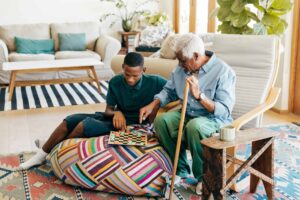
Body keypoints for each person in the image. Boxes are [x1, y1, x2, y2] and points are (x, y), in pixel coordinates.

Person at [19, 52, 167, 170]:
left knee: (84, 126)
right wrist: (116, 112)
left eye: (135, 76)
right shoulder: (115, 81)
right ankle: (40, 156)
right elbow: (108, 110)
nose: (130, 79)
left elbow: (175, 95)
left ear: (144, 70)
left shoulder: (156, 81)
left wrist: (155, 108)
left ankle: (56, 151)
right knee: (69, 120)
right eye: (127, 74)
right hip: (114, 120)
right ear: (123, 67)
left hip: (132, 128)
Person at [139, 33, 236, 195]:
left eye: (183, 61)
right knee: (162, 120)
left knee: (194, 126)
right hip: (188, 114)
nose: (180, 65)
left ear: (196, 56)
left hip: (214, 120)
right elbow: (168, 90)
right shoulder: (181, 68)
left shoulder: (223, 71)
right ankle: (180, 169)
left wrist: (200, 96)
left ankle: (203, 177)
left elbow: (224, 110)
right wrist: (153, 104)